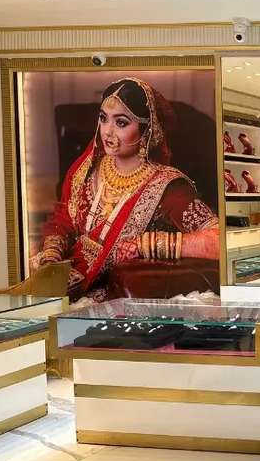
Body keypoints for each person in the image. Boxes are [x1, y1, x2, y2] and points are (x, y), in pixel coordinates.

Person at [31, 77, 220, 300]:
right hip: (67, 284)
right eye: (103, 118)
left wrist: (146, 244)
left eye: (121, 123)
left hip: (116, 299)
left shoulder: (167, 188)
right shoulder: (88, 169)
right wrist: (51, 256)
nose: (107, 131)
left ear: (146, 129)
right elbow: (64, 219)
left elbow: (219, 241)